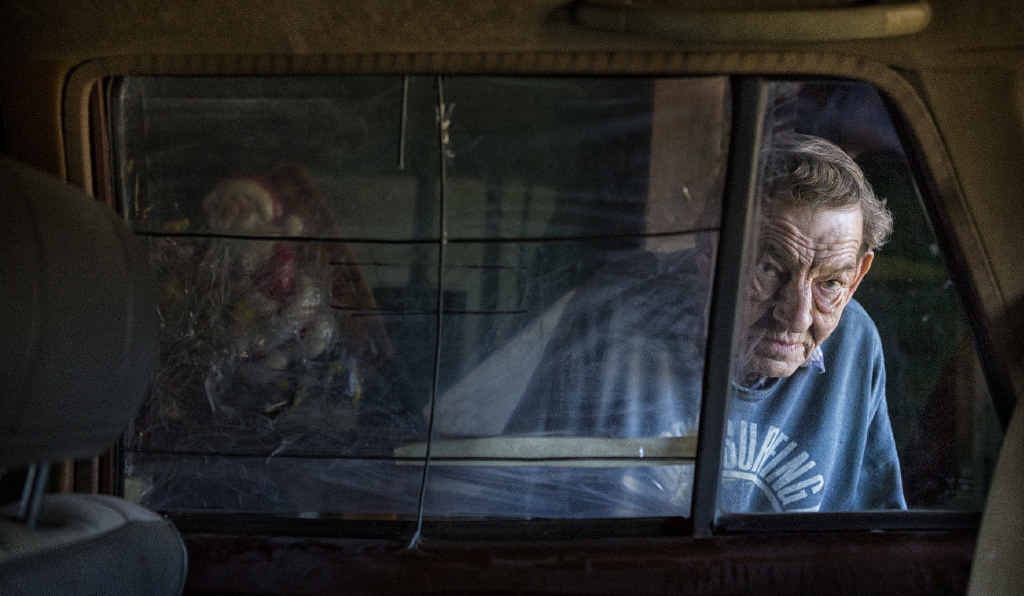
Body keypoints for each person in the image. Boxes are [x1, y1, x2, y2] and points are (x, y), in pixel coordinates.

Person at [718, 133, 906, 512]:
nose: (798, 315)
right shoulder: (625, 327)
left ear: (856, 279)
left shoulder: (854, 340)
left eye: (831, 283)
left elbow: (878, 534)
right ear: (712, 252)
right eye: (768, 269)